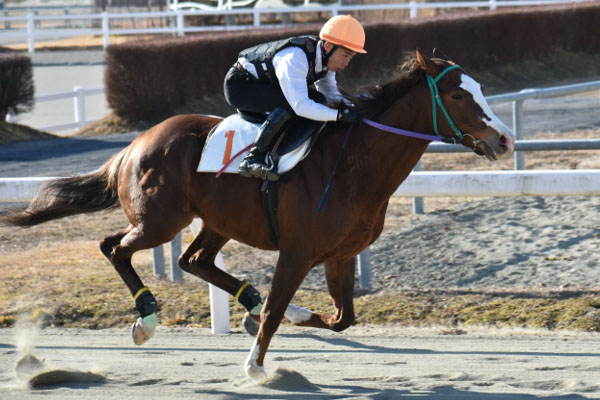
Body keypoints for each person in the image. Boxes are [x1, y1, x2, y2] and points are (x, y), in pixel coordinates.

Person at [223, 14, 366, 181]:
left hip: (266, 86)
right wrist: (339, 115)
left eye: (350, 57)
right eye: (345, 55)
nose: (346, 63)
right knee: (292, 105)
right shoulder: (296, 58)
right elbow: (300, 106)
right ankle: (254, 158)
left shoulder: (325, 59)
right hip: (241, 87)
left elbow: (330, 93)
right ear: (328, 47)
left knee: (319, 100)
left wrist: (355, 108)